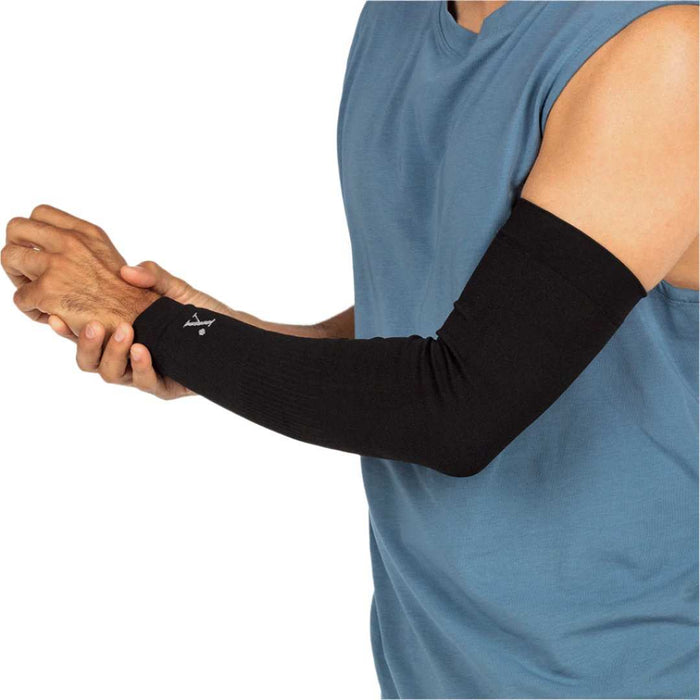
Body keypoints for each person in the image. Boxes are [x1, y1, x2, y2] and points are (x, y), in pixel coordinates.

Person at [3, 1, 698, 696]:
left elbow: (459, 405)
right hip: (430, 664)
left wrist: (154, 322)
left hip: (627, 668)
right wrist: (212, 338)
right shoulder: (397, 18)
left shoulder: (666, 53)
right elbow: (473, 311)